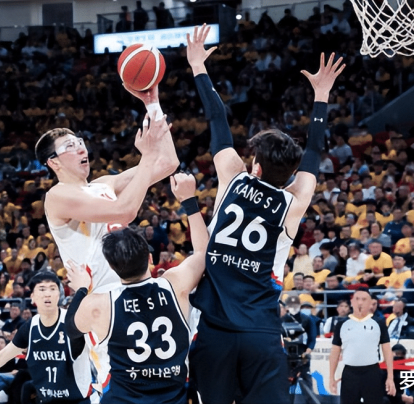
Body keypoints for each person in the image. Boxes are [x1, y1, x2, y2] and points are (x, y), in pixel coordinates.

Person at [186, 25, 345, 404]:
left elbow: (217, 120)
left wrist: (198, 67)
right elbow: (313, 152)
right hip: (261, 333)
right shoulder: (294, 202)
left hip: (215, 332)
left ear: (254, 166)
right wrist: (321, 97)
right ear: (290, 175)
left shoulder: (233, 178)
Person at [64, 172, 208, 404]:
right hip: (173, 398)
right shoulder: (175, 284)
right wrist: (189, 201)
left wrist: (81, 289)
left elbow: (71, 329)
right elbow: (203, 252)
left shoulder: (99, 304)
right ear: (149, 257)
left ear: (112, 267)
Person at [39, 86, 177, 291]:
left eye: (79, 143)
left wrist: (152, 105)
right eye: (70, 146)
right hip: (101, 297)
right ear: (54, 162)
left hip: (133, 287)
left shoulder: (105, 183)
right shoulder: (57, 196)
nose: (81, 149)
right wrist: (147, 156)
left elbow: (168, 163)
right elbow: (124, 211)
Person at [0, 271, 94, 404]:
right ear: (32, 297)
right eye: (42, 289)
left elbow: (83, 310)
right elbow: (1, 357)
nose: (47, 293)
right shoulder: (29, 328)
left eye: (52, 288)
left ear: (59, 295)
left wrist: (82, 289)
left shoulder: (73, 321)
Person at [329, 288, 396, 403]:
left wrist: (390, 377)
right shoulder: (342, 324)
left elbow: (387, 351)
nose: (360, 302)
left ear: (370, 303)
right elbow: (335, 352)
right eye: (357, 299)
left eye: (364, 299)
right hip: (349, 373)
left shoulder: (379, 323)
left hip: (372, 372)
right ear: (352, 302)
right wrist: (331, 377)